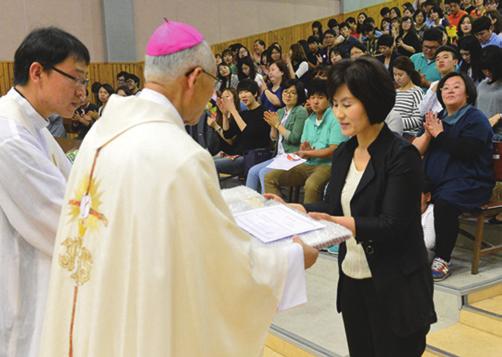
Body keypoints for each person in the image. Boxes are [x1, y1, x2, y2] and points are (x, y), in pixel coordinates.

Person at [40, 20, 319, 357]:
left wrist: (264, 211)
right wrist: (291, 259)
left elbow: (157, 219)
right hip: (148, 326)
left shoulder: (102, 135)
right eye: (213, 85)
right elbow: (224, 268)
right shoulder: (180, 155)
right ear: (194, 79)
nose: (212, 97)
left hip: (104, 310)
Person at [276, 56, 436, 356]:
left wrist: (337, 222)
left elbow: (395, 225)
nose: (339, 113)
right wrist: (299, 210)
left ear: (372, 101)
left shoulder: (402, 156)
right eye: (335, 104)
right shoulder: (344, 153)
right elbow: (335, 205)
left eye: (347, 104)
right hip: (353, 280)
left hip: (395, 286)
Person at [0, 27, 89, 357]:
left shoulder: (33, 125)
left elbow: (74, 187)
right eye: (76, 79)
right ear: (37, 72)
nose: (82, 93)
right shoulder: (11, 136)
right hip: (24, 286)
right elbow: (62, 223)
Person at [413, 72, 494, 280]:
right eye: (445, 87)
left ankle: (442, 258)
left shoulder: (476, 119)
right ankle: (407, 249)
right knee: (403, 191)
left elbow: (466, 152)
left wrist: (440, 134)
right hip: (439, 181)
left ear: (468, 93)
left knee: (446, 201)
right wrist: (428, 134)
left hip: (471, 182)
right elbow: (421, 153)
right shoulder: (437, 118)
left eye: (456, 86)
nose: (449, 90)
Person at [264, 79, 348, 204]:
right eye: (312, 97)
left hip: (328, 165)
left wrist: (308, 153)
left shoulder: (335, 118)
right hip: (308, 163)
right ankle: (282, 212)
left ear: (329, 99)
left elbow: (334, 150)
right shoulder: (309, 120)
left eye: (320, 97)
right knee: (269, 177)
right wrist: (305, 149)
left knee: (311, 185)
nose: (315, 101)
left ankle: (311, 219)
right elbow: (304, 149)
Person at [246, 79, 308, 193]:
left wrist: (277, 124)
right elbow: (273, 138)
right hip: (279, 156)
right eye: (285, 91)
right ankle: (251, 205)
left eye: (293, 93)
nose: (288, 95)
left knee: (264, 173)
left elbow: (294, 138)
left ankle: (270, 206)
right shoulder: (280, 111)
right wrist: (273, 126)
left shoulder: (301, 111)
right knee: (252, 172)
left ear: (299, 96)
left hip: (293, 157)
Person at [419, 45, 460, 116]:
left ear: (455, 62)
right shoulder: (434, 85)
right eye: (437, 59)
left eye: (445, 57)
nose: (440, 61)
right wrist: (432, 91)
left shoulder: (461, 83)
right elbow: (421, 111)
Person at [392, 56, 426, 135]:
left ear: (409, 74)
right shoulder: (394, 93)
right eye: (395, 74)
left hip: (408, 135)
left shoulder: (417, 92)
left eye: (400, 75)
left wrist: (394, 123)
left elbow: (418, 120)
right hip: (392, 133)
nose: (397, 78)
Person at [478, 45, 502, 139]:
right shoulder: (482, 85)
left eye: (490, 69)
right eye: (484, 69)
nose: (487, 72)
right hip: (482, 133)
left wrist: (500, 116)